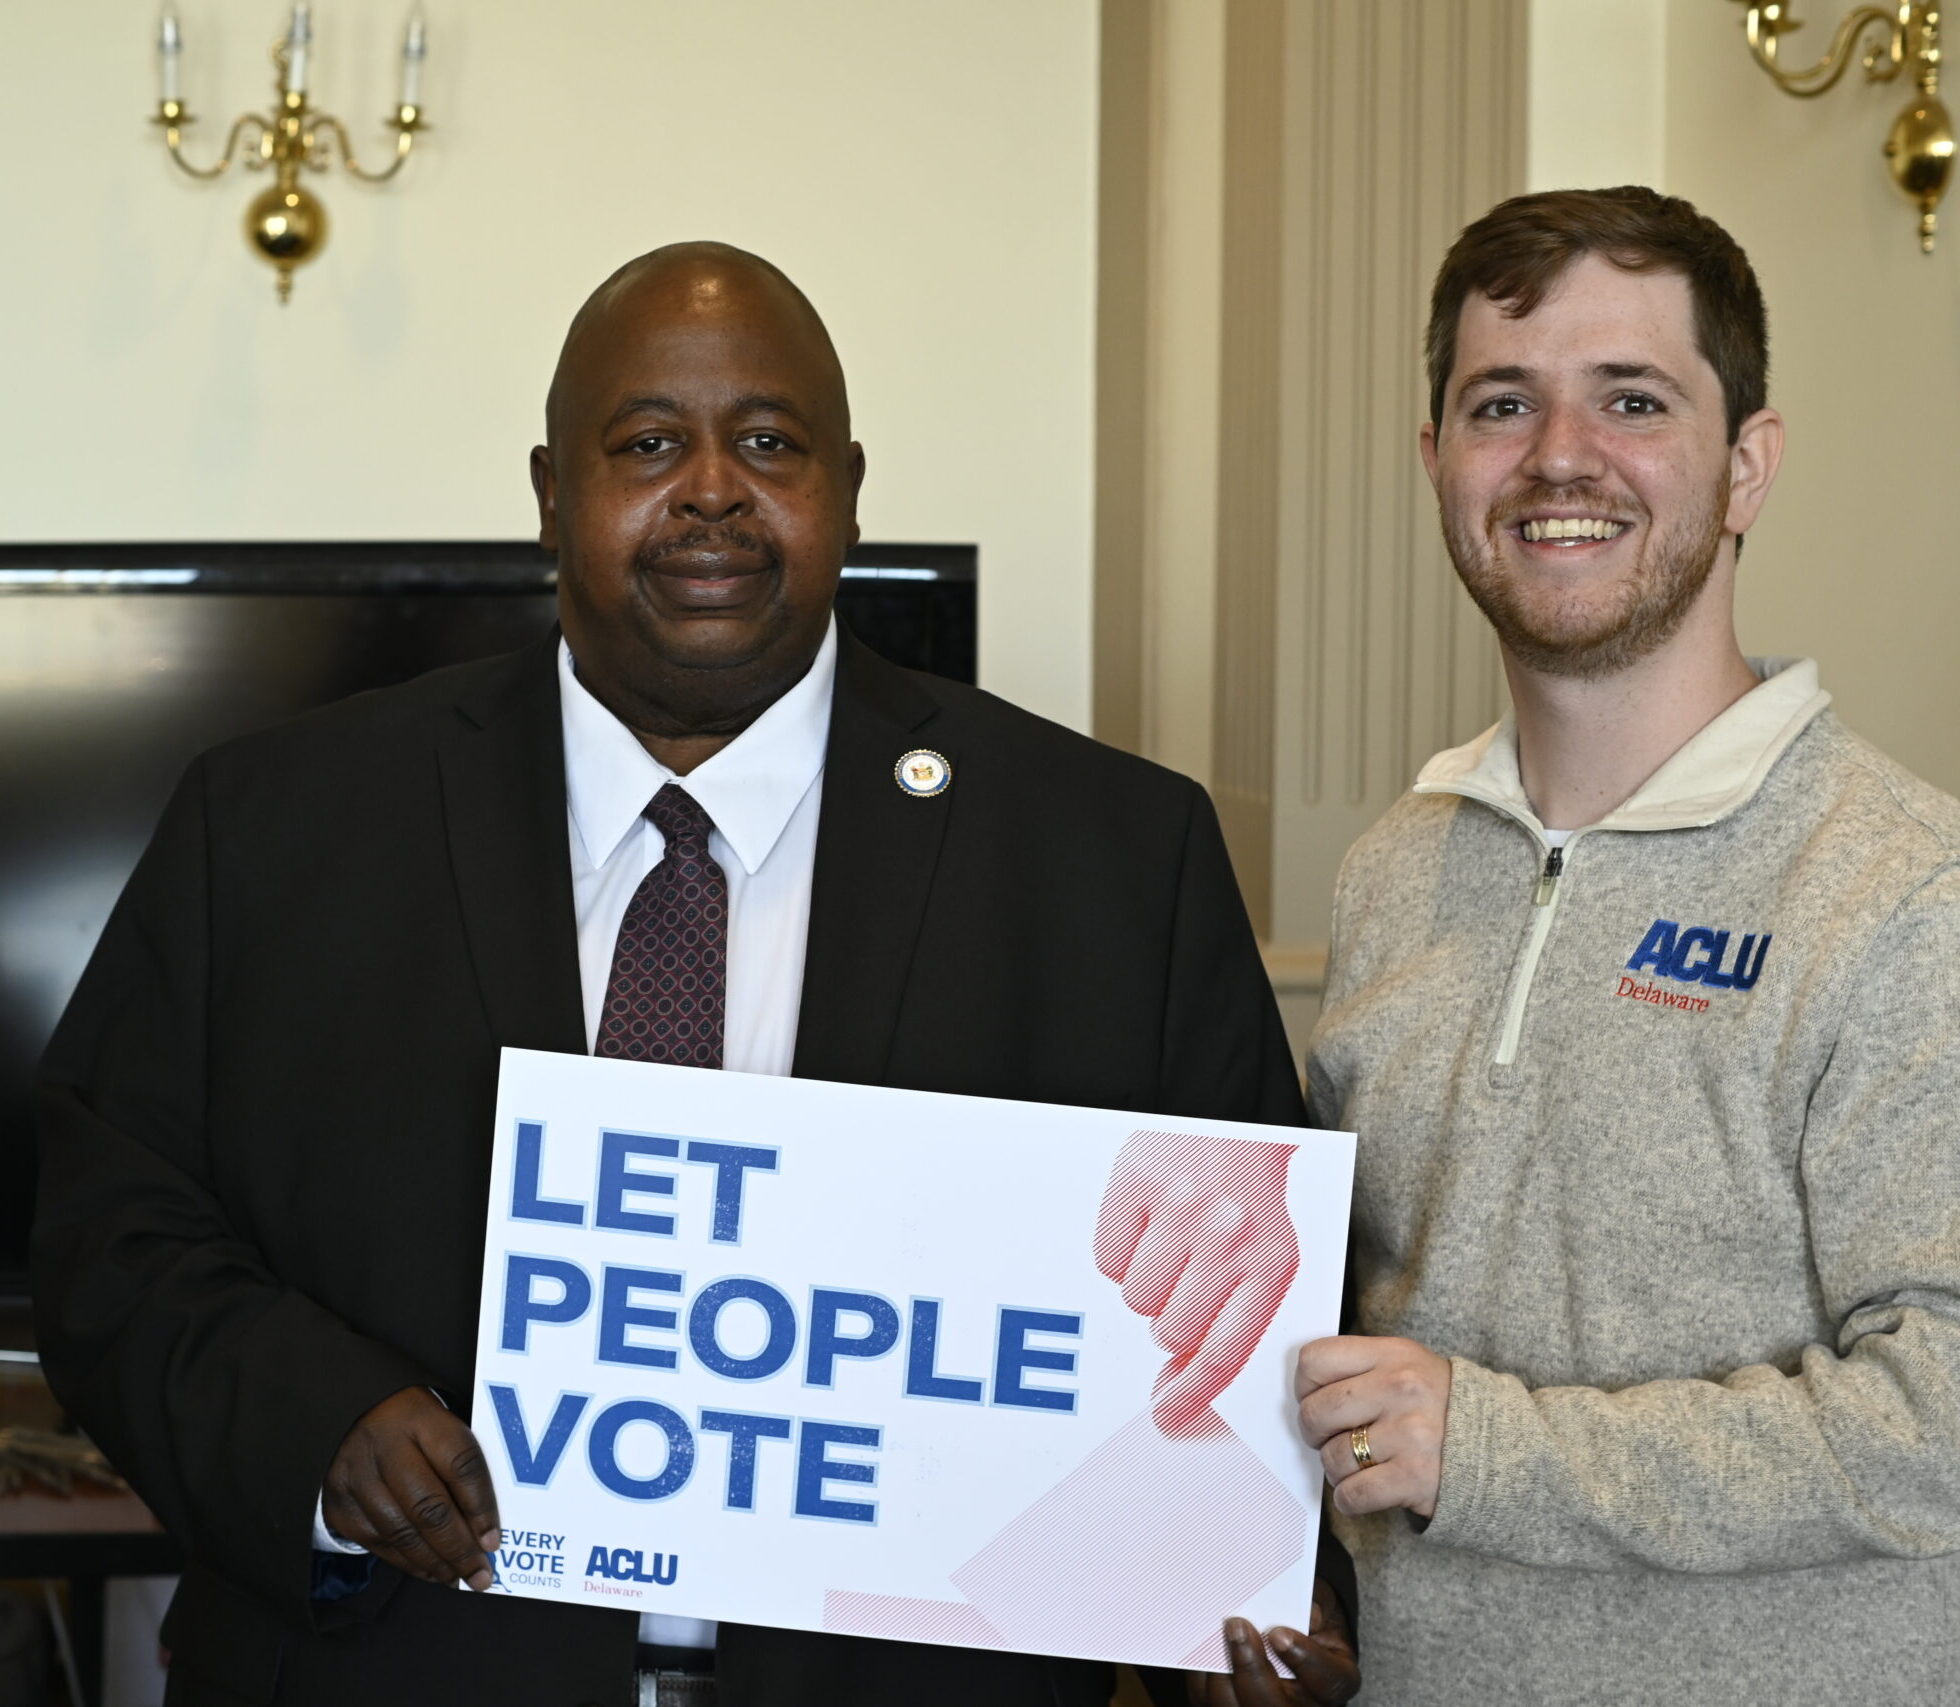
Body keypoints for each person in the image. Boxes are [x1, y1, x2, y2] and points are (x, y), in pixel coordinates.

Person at [35, 243, 1353, 1707]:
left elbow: (1241, 1325)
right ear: (550, 493)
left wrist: (1248, 1625)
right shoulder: (276, 824)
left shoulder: (1115, 859)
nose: (713, 488)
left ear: (849, 489)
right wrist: (317, 1428)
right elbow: (108, 1226)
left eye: (771, 443)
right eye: (649, 442)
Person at [1292, 188, 1960, 1706]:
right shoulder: (1394, 873)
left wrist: (1494, 1452)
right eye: (1500, 403)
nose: (1557, 455)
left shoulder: (1926, 910)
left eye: (1633, 400)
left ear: (1747, 466)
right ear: (1436, 465)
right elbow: (1352, 1329)